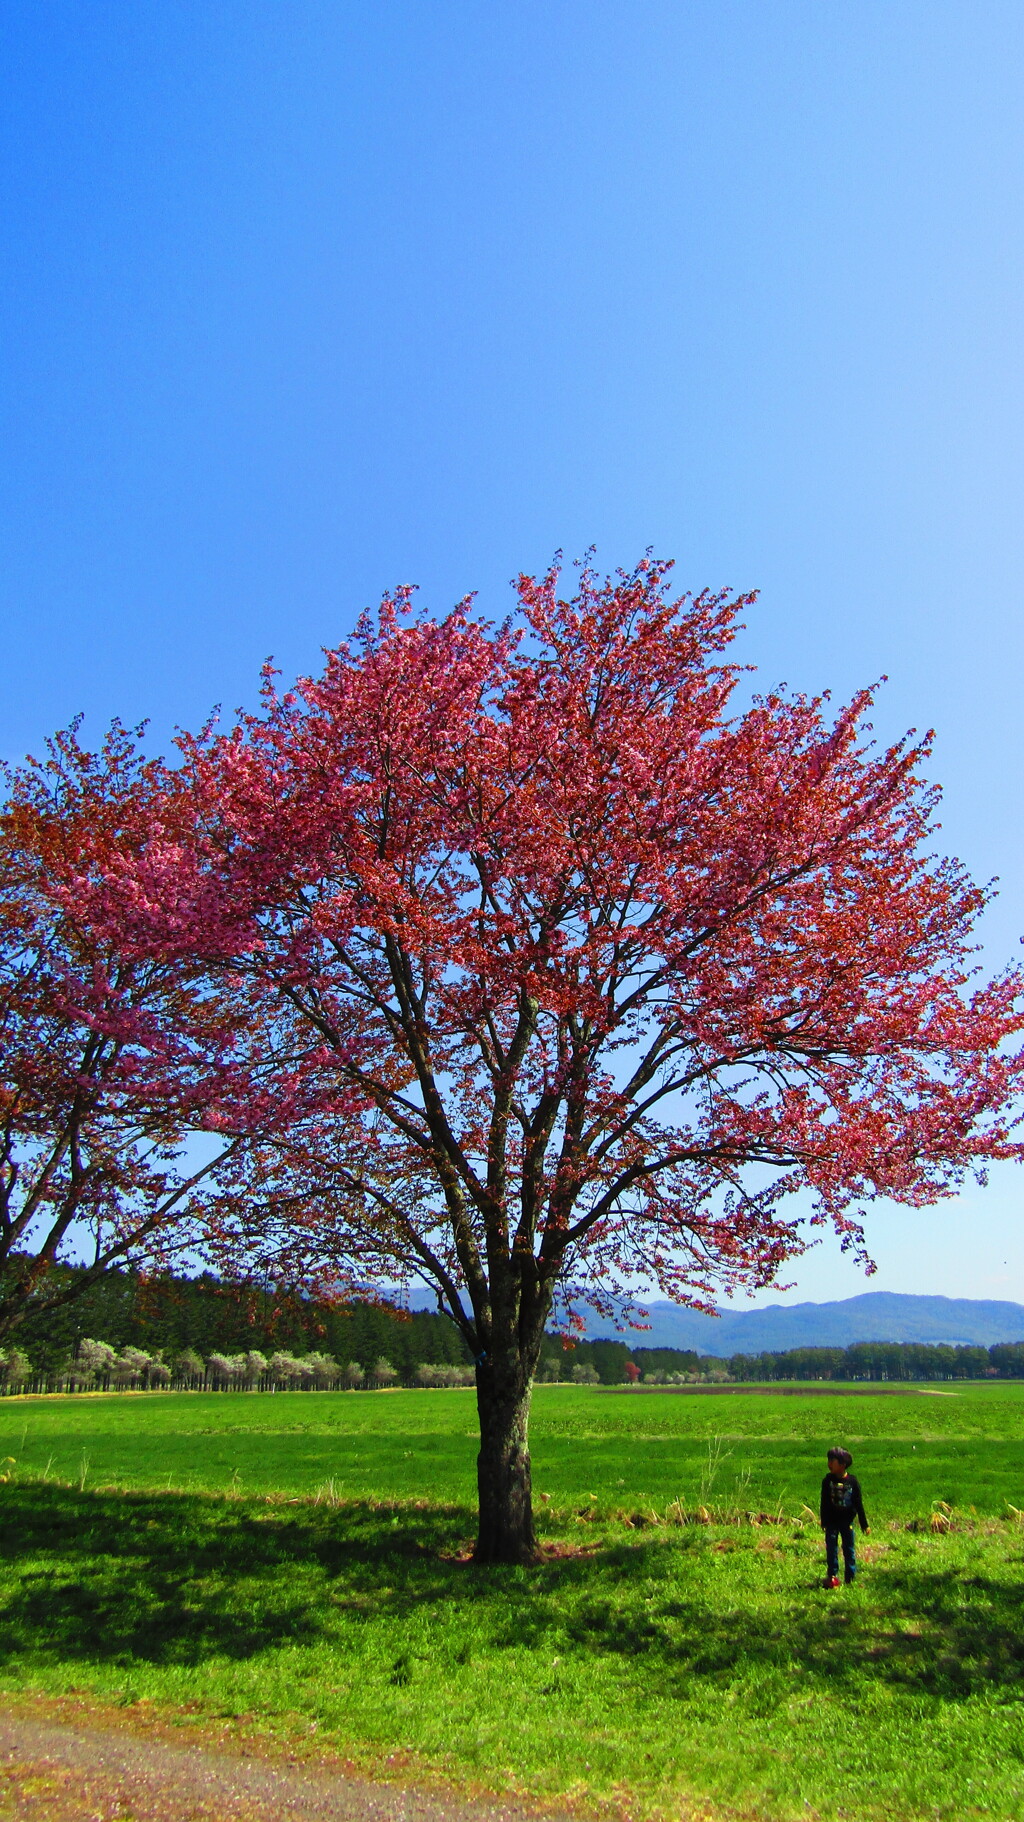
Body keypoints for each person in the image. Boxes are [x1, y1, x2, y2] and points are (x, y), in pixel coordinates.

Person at [819, 1446, 868, 1588]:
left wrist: (864, 1524)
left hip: (847, 1522)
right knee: (831, 1549)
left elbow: (858, 1503)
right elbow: (824, 1501)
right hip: (831, 1522)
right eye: (828, 1460)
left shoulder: (852, 1482)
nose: (829, 1464)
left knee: (849, 1549)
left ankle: (850, 1577)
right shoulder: (827, 1481)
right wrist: (824, 1520)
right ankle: (832, 1576)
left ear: (842, 1465)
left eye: (832, 1461)